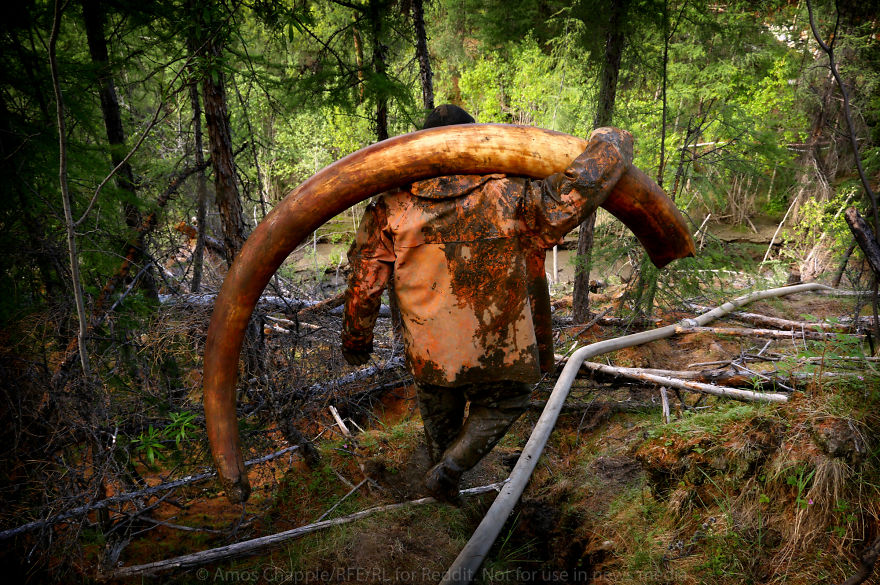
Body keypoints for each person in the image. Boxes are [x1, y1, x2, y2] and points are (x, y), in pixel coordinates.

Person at [341, 105, 633, 503]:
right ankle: (447, 474)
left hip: (430, 352)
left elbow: (365, 282)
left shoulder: (391, 207)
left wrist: (356, 340)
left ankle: (441, 488)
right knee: (504, 402)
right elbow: (576, 192)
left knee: (438, 420)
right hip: (500, 344)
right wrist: (611, 145)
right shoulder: (511, 193)